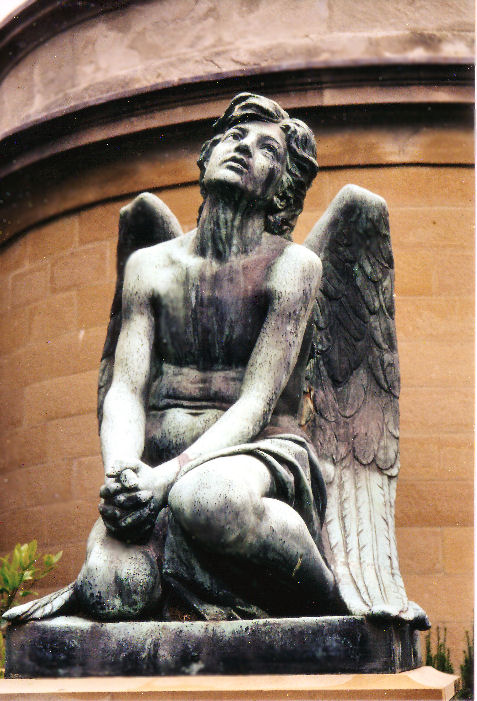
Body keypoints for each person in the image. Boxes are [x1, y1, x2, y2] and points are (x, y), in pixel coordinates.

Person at [13, 94, 344, 622]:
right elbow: (126, 388)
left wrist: (165, 480)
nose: (244, 148)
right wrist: (124, 474)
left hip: (256, 454)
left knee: (205, 500)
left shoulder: (292, 266)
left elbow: (256, 402)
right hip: (153, 470)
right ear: (207, 156)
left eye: (267, 149)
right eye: (234, 137)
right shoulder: (149, 266)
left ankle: (331, 604)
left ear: (281, 186)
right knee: (112, 590)